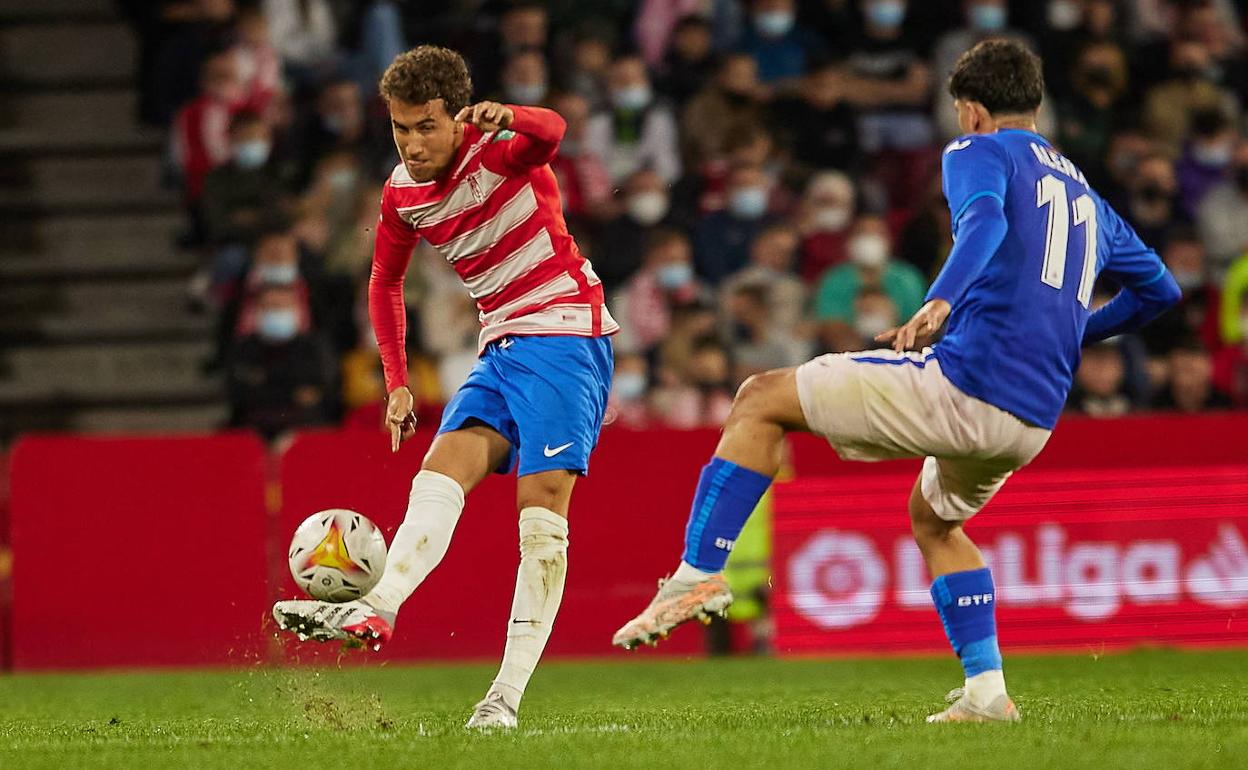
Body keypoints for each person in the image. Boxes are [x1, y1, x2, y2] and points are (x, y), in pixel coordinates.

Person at [611, 40, 1180, 723]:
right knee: (936, 520)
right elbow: (1160, 291)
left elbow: (986, 220)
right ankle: (986, 692)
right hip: (1030, 421)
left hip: (969, 383)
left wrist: (939, 299)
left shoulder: (978, 151)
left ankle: (697, 576)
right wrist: (1070, 332)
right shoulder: (1086, 196)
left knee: (759, 399)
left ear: (971, 111)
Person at [271, 46, 618, 732]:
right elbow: (384, 282)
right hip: (501, 345)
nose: (412, 142)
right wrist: (397, 382)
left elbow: (551, 131)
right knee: (438, 475)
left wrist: (510, 114)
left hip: (565, 334)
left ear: (458, 118)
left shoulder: (501, 153)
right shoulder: (402, 192)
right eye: (400, 128)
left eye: (426, 126)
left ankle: (503, 699)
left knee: (541, 517)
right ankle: (379, 606)